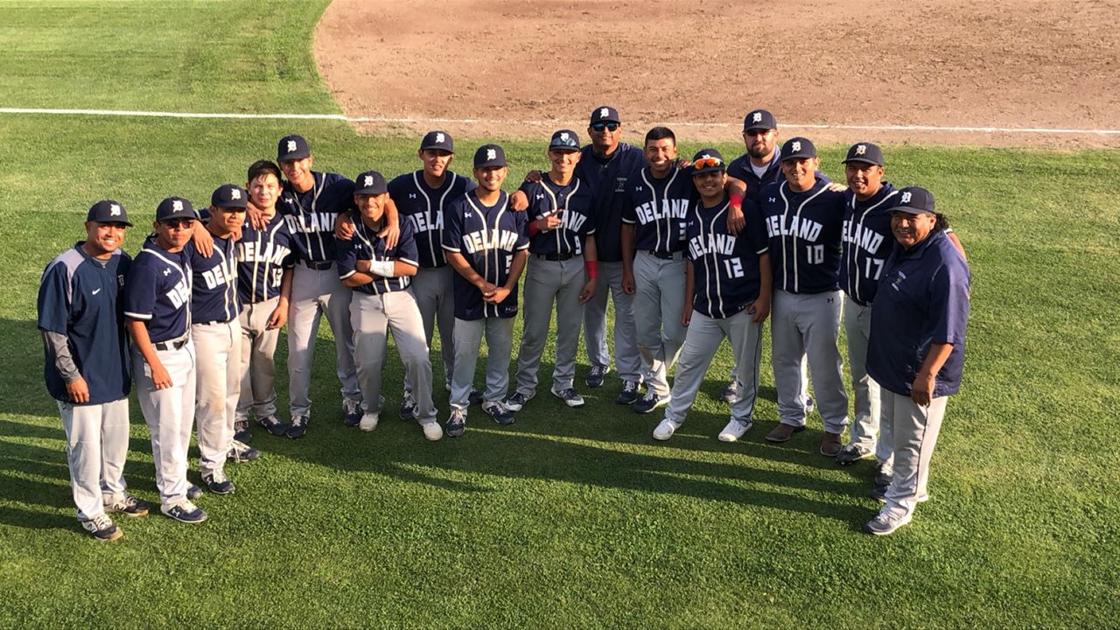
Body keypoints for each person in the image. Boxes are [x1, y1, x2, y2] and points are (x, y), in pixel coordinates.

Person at [268, 134, 397, 438]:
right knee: (298, 351)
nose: (294, 167)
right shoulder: (280, 195)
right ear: (281, 166)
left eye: (299, 160)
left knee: (346, 344)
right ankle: (299, 412)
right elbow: (251, 199)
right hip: (302, 275)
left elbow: (379, 197)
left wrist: (393, 222)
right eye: (287, 162)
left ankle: (352, 400)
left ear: (310, 160)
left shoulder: (337, 186)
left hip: (338, 277)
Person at [37, 200, 149, 541]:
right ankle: (90, 510)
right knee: (84, 448)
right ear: (88, 226)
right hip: (80, 379)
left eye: (118, 228)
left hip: (114, 373)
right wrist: (71, 375)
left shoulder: (122, 262)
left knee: (115, 443)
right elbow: (53, 332)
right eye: (105, 226)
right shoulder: (64, 268)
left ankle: (113, 493)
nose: (112, 233)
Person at [864, 187, 970, 535]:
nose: (902, 225)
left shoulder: (945, 265)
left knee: (913, 441)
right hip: (897, 362)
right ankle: (912, 487)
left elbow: (948, 334)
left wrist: (927, 376)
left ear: (932, 220)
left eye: (912, 218)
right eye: (898, 217)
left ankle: (900, 504)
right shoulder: (909, 244)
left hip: (920, 370)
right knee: (899, 435)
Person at [650, 150, 771, 442]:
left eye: (714, 174)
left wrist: (764, 297)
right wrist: (690, 301)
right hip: (706, 306)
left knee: (745, 369)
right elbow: (692, 261)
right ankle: (674, 416)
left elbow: (764, 256)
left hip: (742, 305)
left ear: (723, 177)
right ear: (695, 181)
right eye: (702, 176)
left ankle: (741, 418)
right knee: (689, 363)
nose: (708, 181)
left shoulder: (744, 210)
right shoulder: (693, 214)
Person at [760, 137, 851, 456]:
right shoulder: (770, 194)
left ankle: (834, 427)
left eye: (803, 161)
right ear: (781, 165)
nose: (796, 167)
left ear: (816, 162)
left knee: (824, 363)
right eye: (789, 162)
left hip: (822, 295)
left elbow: (877, 199)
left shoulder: (836, 198)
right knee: (784, 359)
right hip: (783, 292)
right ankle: (791, 416)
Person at [337, 170, 442, 441]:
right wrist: (389, 269)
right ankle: (370, 407)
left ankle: (426, 413)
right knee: (368, 363)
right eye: (363, 197)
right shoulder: (348, 227)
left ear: (385, 198)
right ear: (355, 199)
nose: (369, 202)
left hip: (401, 297)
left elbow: (411, 267)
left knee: (418, 357)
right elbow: (348, 277)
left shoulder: (402, 224)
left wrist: (370, 266)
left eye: (375, 197)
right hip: (365, 300)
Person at [124, 197, 207, 524]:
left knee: (184, 424)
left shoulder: (180, 248)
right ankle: (172, 498)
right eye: (172, 223)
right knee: (168, 430)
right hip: (159, 355)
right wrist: (154, 364)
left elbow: (201, 218)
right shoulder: (147, 266)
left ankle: (176, 479)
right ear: (156, 226)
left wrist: (196, 225)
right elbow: (135, 322)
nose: (181, 229)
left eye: (186, 223)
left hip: (184, 350)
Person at [505, 129, 598, 412]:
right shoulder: (533, 187)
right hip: (541, 265)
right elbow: (520, 232)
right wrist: (537, 226)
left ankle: (564, 383)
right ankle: (525, 387)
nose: (563, 158)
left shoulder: (585, 192)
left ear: (578, 157)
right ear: (549, 153)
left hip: (575, 265)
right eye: (558, 152)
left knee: (570, 329)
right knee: (535, 330)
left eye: (569, 153)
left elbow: (589, 236)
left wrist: (592, 276)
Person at [441, 144, 529, 436]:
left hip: (505, 295)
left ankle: (495, 399)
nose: (491, 174)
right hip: (469, 295)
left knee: (501, 349)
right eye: (485, 169)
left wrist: (506, 287)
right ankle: (458, 405)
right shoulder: (458, 207)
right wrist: (481, 283)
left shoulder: (515, 207)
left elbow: (521, 252)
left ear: (505, 172)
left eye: (496, 169)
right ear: (476, 172)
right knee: (464, 352)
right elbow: (452, 253)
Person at [387, 131, 476, 419]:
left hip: (454, 274)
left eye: (443, 154)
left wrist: (525, 191)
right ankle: (411, 392)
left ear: (451, 157)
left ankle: (453, 381)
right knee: (418, 338)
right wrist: (390, 214)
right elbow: (380, 196)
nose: (437, 159)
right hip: (420, 275)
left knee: (453, 336)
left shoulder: (462, 185)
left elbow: (491, 197)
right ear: (421, 154)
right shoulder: (403, 185)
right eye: (431, 153)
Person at [576, 106, 647, 402]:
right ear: (590, 130)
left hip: (623, 259)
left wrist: (680, 164)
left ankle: (631, 377)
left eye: (611, 125)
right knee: (593, 316)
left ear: (620, 129)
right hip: (589, 257)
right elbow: (557, 175)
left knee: (628, 319)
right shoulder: (579, 159)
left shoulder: (636, 158)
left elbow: (662, 170)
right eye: (599, 126)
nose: (605, 130)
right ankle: (598, 363)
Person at [834, 143, 899, 467]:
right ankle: (863, 439)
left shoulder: (895, 205)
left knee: (888, 386)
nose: (858, 175)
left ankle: (889, 458)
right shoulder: (847, 199)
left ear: (880, 172)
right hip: (854, 304)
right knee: (861, 377)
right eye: (852, 168)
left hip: (885, 313)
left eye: (866, 169)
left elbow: (939, 230)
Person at [190, 185, 250, 495]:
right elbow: (159, 230)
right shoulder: (193, 239)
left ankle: (225, 442)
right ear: (211, 211)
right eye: (227, 209)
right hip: (204, 331)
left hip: (232, 324)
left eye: (239, 210)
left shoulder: (230, 235)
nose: (234, 215)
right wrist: (195, 224)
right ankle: (211, 466)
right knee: (211, 400)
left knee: (232, 391)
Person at [234, 160, 295, 441]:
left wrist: (284, 303)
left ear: (280, 190)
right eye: (257, 186)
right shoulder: (234, 216)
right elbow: (199, 216)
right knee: (238, 364)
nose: (264, 191)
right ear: (247, 188)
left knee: (265, 361)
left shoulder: (286, 225)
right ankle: (239, 416)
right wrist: (243, 207)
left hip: (270, 303)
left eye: (270, 186)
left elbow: (290, 267)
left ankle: (266, 412)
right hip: (236, 304)